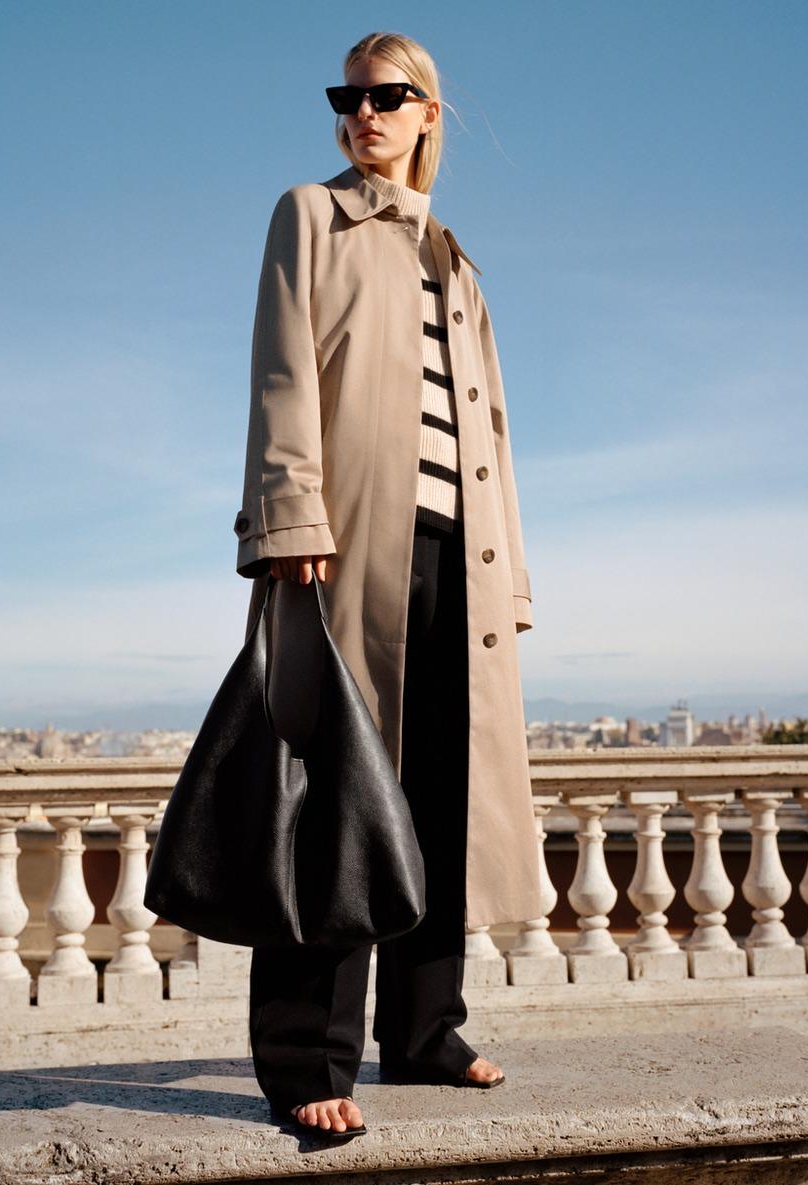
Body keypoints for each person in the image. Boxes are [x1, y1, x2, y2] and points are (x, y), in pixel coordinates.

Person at [230, 32, 547, 1138]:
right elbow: (280, 372)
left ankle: (423, 1032)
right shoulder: (309, 216)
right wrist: (286, 520)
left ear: (426, 115)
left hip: (458, 553)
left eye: (387, 97)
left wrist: (507, 579)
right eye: (348, 97)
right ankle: (305, 1054)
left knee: (441, 794)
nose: (362, 113)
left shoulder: (455, 261)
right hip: (343, 542)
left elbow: (491, 432)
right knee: (331, 799)